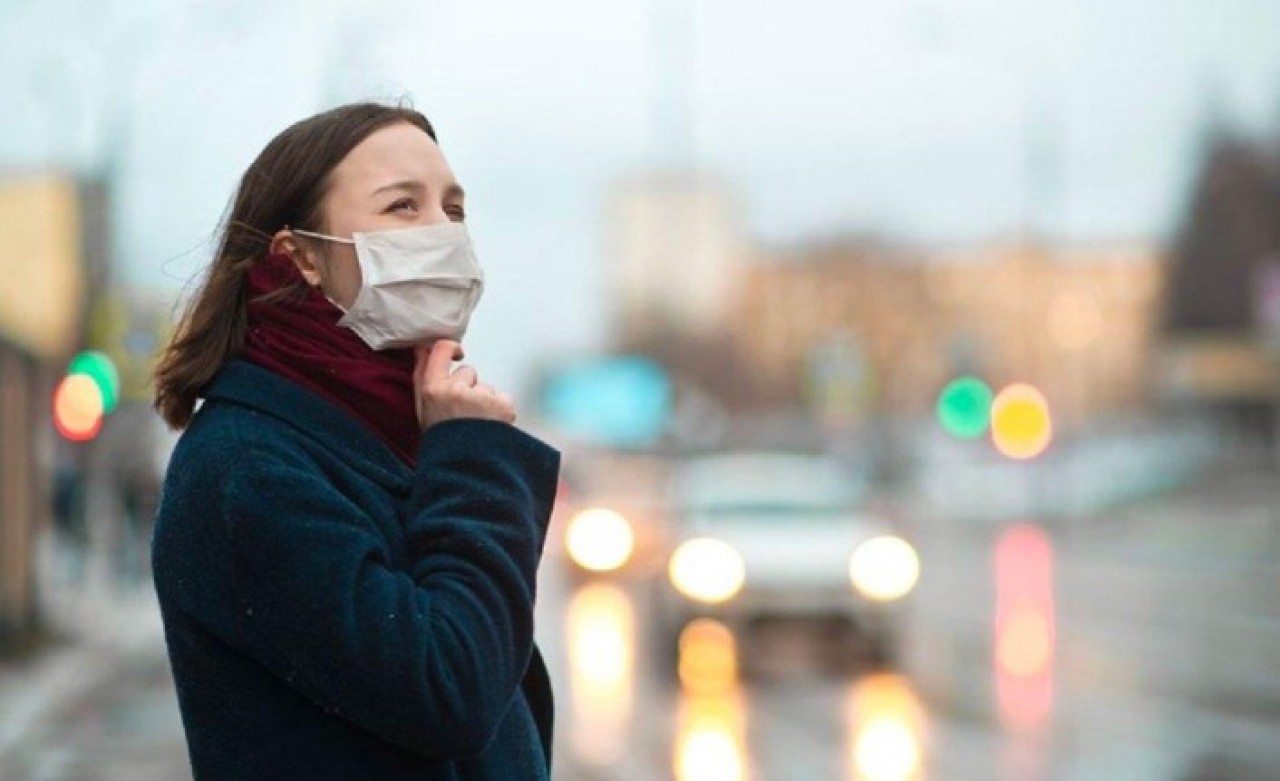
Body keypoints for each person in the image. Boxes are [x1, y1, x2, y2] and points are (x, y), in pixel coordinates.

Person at [150, 102, 561, 780]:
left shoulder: (378, 436)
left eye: (453, 210)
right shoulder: (249, 468)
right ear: (302, 257)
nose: (442, 232)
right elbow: (448, 688)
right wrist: (472, 461)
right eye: (403, 207)